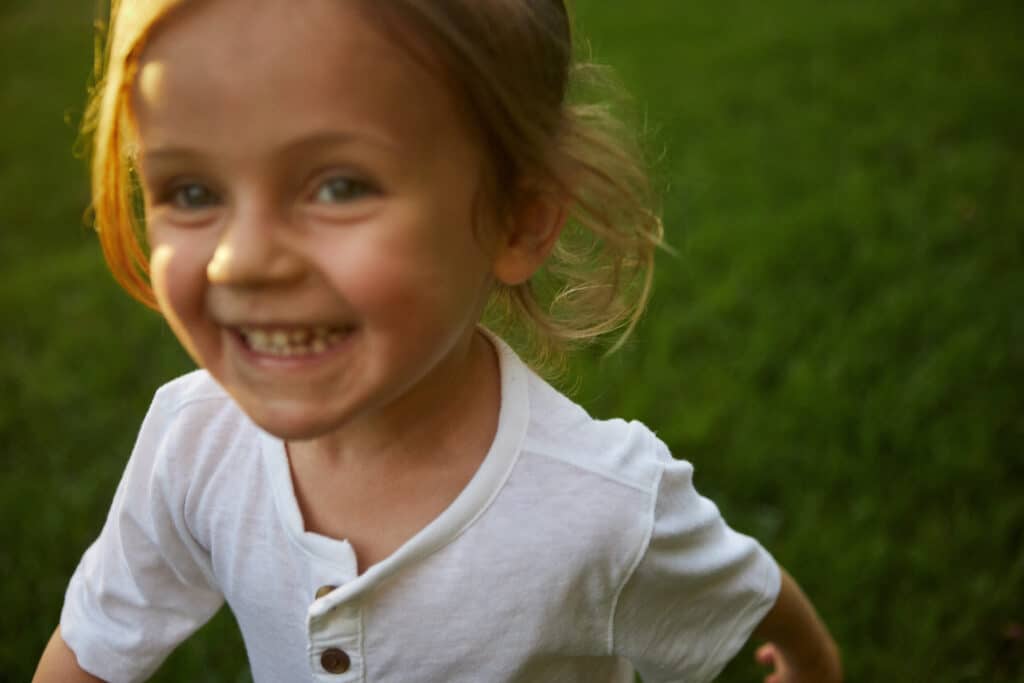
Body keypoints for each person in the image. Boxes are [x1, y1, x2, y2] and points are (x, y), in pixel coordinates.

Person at [33, 1, 842, 681]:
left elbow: (751, 591)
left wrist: (808, 662)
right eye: (191, 189)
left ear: (520, 218)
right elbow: (97, 640)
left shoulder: (602, 505)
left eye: (339, 185)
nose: (239, 258)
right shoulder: (192, 442)